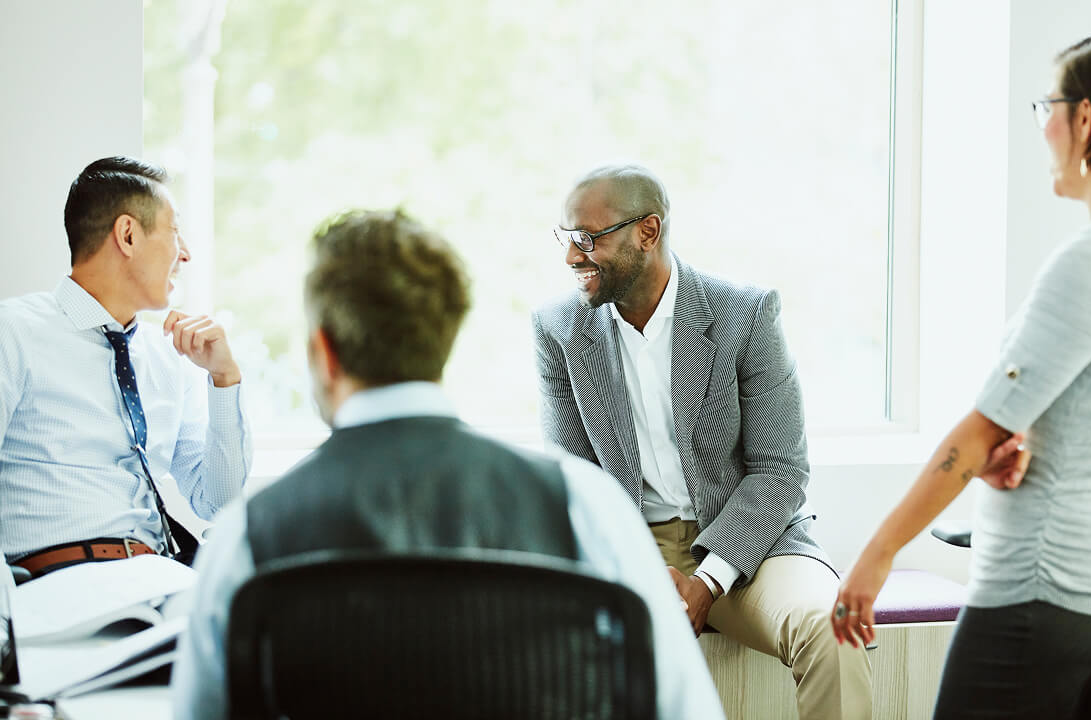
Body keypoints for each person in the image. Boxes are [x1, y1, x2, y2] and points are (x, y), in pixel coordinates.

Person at [173, 208, 723, 720]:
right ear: (443, 340)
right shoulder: (585, 506)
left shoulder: (247, 539)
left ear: (325, 350)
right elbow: (685, 710)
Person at [833, 26, 1091, 719]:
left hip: (1044, 594)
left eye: (1047, 108)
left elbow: (974, 436)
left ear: (1085, 118)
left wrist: (875, 555)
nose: (1044, 129)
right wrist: (1038, 436)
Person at [533, 164, 873, 720]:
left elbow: (781, 470)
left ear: (648, 232)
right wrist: (643, 569)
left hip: (753, 544)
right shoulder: (558, 329)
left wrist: (707, 581)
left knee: (832, 630)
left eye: (589, 239)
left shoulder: (746, 314)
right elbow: (576, 484)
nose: (572, 256)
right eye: (566, 238)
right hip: (631, 545)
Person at [0, 157, 252, 575]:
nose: (185, 254)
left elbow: (218, 501)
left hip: (159, 581)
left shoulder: (170, 359)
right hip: (54, 592)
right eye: (175, 233)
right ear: (128, 235)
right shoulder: (13, 333)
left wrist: (224, 380)